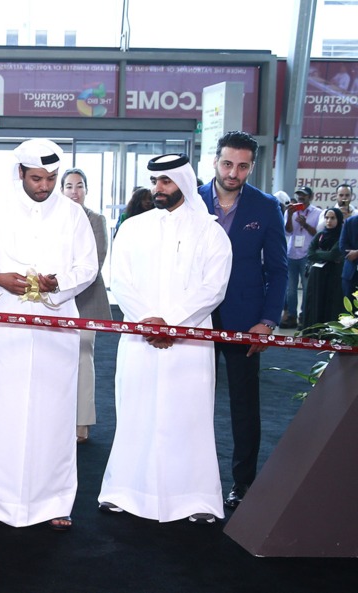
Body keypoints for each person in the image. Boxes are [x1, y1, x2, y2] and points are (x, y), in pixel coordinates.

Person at [0, 138, 98, 531]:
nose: (45, 186)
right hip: (5, 324)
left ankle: (54, 502)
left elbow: (87, 266)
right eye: (37, 178)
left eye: (52, 178)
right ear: (20, 173)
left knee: (54, 417)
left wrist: (60, 284)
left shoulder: (72, 215)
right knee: (2, 414)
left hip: (56, 325)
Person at [99, 153, 232, 524]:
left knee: (187, 418)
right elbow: (120, 280)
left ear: (184, 183)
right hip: (140, 336)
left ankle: (194, 500)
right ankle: (124, 492)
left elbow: (214, 288)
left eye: (166, 182)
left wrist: (170, 323)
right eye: (155, 182)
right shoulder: (133, 227)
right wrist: (148, 322)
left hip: (188, 340)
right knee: (135, 412)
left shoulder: (210, 231)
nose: (158, 189)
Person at [197, 130, 288, 510]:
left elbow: (279, 270)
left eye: (243, 165)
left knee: (244, 405)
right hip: (194, 317)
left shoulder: (266, 207)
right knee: (190, 400)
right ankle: (190, 481)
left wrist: (267, 321)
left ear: (252, 166)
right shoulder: (191, 199)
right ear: (215, 161)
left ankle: (243, 483)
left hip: (244, 320)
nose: (234, 172)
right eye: (227, 163)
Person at [61, 168, 110, 444]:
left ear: (87, 190)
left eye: (79, 186)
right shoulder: (54, 219)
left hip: (87, 300)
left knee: (83, 360)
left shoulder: (96, 220)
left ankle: (81, 423)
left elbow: (95, 263)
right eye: (69, 186)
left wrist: (61, 281)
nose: (74, 192)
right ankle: (59, 419)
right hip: (54, 301)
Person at [282, 186, 321, 329]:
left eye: (304, 196)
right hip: (291, 254)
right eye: (299, 195)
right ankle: (291, 316)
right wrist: (290, 217)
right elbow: (288, 231)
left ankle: (304, 317)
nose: (300, 198)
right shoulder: (291, 211)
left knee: (306, 288)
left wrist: (305, 224)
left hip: (307, 255)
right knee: (290, 288)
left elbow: (318, 234)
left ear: (310, 197)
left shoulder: (318, 213)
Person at [302, 208, 347, 328]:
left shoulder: (342, 235)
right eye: (327, 218)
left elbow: (334, 254)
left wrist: (319, 253)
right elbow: (310, 253)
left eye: (332, 218)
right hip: (318, 275)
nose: (329, 221)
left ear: (339, 219)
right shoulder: (321, 234)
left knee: (331, 303)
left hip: (334, 276)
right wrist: (325, 255)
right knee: (316, 302)